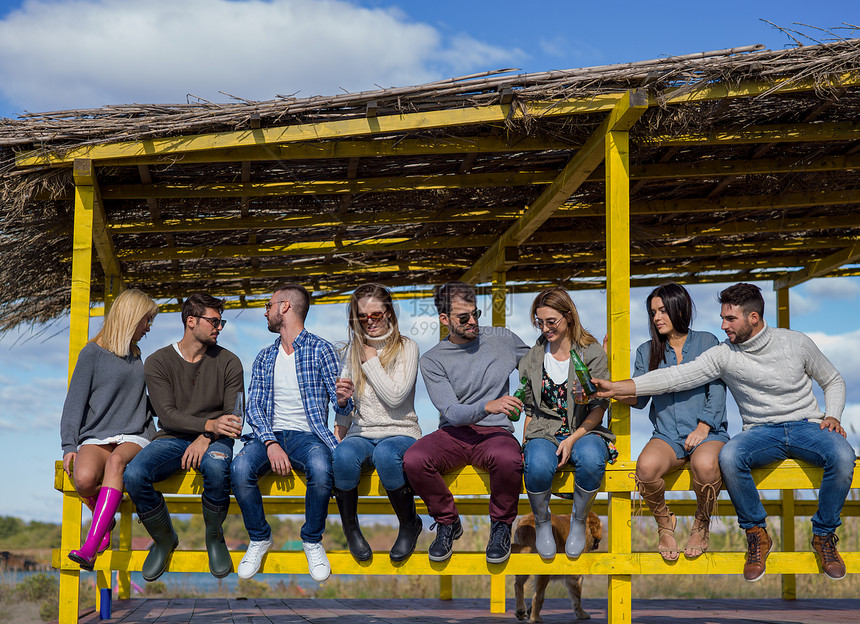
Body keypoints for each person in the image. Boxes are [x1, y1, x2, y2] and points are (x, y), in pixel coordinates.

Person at [593, 283, 854, 582]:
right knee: (729, 457)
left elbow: (833, 380)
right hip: (759, 431)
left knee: (843, 456)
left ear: (753, 317)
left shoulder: (795, 342)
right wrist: (614, 387)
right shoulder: (723, 353)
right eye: (722, 317)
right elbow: (674, 377)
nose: (723, 325)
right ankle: (757, 535)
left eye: (730, 319)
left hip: (806, 424)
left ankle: (823, 535)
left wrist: (833, 414)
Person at [231, 284, 354, 582]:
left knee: (322, 468)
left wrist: (342, 400)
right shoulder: (263, 357)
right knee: (240, 467)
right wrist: (270, 442)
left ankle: (312, 540)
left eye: (268, 304)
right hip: (268, 435)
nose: (265, 310)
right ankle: (260, 538)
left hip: (308, 436)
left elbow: (344, 404)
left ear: (284, 306)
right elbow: (255, 407)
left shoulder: (321, 349)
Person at [403, 281, 529, 564]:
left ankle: (500, 527)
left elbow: (537, 364)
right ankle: (447, 522)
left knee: (510, 459)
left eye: (476, 314)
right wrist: (488, 405)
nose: (473, 321)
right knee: (414, 458)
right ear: (445, 319)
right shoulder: (433, 359)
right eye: (464, 317)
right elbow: (452, 411)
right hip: (454, 433)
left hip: (496, 432)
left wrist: (526, 397)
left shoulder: (502, 338)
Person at [123, 293, 244, 581]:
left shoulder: (230, 362)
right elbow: (167, 415)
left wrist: (207, 434)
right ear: (191, 321)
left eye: (221, 321)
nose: (220, 327)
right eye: (214, 321)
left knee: (216, 466)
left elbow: (234, 417)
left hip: (216, 440)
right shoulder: (157, 362)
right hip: (171, 438)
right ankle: (164, 537)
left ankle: (214, 536)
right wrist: (209, 425)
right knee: (135, 474)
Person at [616, 283, 728, 561]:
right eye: (653, 312)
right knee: (646, 467)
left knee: (704, 464)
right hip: (666, 435)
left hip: (708, 431)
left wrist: (704, 427)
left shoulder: (708, 342)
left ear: (681, 309)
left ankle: (701, 523)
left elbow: (717, 390)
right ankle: (665, 523)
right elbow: (640, 399)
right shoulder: (646, 351)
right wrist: (610, 391)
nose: (657, 317)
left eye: (663, 310)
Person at [61, 289, 159, 570]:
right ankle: (105, 521)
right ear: (131, 317)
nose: (148, 327)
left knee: (116, 463)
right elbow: (74, 403)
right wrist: (69, 445)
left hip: (135, 434)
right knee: (83, 478)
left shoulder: (137, 357)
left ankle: (91, 547)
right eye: (146, 321)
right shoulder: (91, 354)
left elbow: (143, 401)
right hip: (98, 433)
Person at [519, 288, 615, 560]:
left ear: (569, 317)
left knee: (593, 457)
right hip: (544, 430)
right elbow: (529, 409)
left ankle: (578, 519)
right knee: (536, 463)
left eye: (552, 322)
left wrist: (572, 439)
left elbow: (598, 408)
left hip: (585, 428)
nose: (545, 328)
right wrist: (526, 443)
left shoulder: (591, 353)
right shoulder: (531, 359)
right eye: (540, 322)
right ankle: (542, 521)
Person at [332, 283, 423, 562]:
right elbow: (346, 407)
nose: (369, 322)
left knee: (385, 455)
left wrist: (370, 361)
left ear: (389, 314)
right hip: (361, 432)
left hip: (401, 431)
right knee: (343, 456)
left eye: (375, 315)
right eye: (362, 317)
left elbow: (396, 398)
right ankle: (352, 531)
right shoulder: (350, 351)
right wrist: (342, 405)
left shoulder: (408, 347)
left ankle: (409, 523)